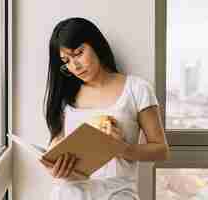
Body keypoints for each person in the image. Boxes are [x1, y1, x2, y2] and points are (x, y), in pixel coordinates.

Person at [40, 17, 170, 200]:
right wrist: (55, 167)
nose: (74, 66)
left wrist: (121, 148)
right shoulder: (65, 96)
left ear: (96, 45)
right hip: (69, 193)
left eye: (78, 53)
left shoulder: (136, 88)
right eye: (66, 61)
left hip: (117, 194)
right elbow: (56, 146)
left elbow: (161, 150)